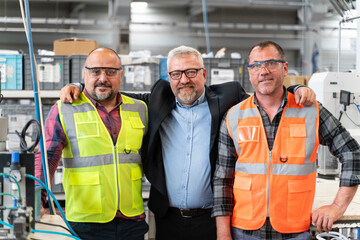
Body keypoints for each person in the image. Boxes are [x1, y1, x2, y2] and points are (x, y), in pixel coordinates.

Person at [60, 45, 316, 240]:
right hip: (168, 219)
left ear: (204, 73)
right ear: (169, 77)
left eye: (191, 72)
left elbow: (265, 95)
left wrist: (295, 90)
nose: (184, 79)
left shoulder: (228, 97)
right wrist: (78, 86)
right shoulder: (158, 98)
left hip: (212, 218)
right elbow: (110, 90)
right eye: (176, 74)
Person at [213, 40, 360, 240]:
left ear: (285, 68)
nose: (263, 71)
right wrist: (223, 234)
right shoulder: (234, 116)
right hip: (244, 230)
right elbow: (222, 179)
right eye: (255, 65)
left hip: (295, 231)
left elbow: (352, 151)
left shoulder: (311, 111)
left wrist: (337, 207)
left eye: (271, 63)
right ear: (249, 72)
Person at [35, 48, 149, 240]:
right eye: (95, 71)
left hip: (132, 219)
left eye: (111, 72)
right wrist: (38, 198)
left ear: (121, 75)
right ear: (85, 74)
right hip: (85, 222)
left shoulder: (140, 108)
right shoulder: (64, 109)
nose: (103, 78)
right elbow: (47, 158)